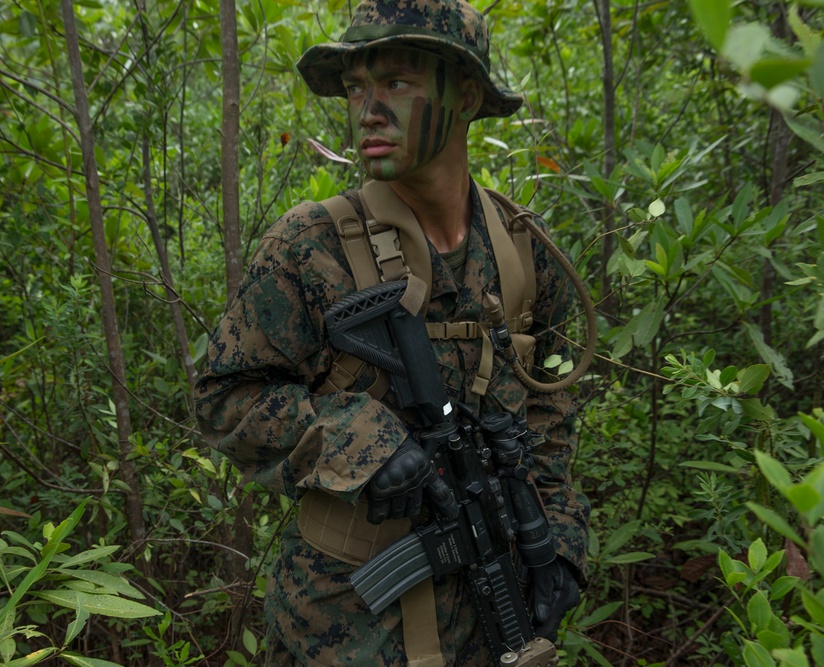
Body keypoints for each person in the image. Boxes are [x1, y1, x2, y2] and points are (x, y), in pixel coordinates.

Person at [194, 0, 590, 664]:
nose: (368, 109)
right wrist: (360, 438)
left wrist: (559, 545)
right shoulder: (311, 244)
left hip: (492, 609)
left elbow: (548, 409)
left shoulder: (521, 247)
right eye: (355, 88)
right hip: (346, 624)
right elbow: (221, 400)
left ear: (464, 94)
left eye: (397, 83)